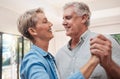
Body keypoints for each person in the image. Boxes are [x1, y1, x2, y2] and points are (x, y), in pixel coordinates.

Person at [18, 7, 101, 79]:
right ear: (33, 31)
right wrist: (92, 62)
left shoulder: (49, 58)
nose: (51, 24)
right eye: (45, 21)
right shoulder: (33, 59)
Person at [55, 2, 120, 79]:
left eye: (68, 18)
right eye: (63, 19)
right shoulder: (59, 55)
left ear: (84, 18)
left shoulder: (104, 43)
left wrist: (108, 63)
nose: (63, 23)